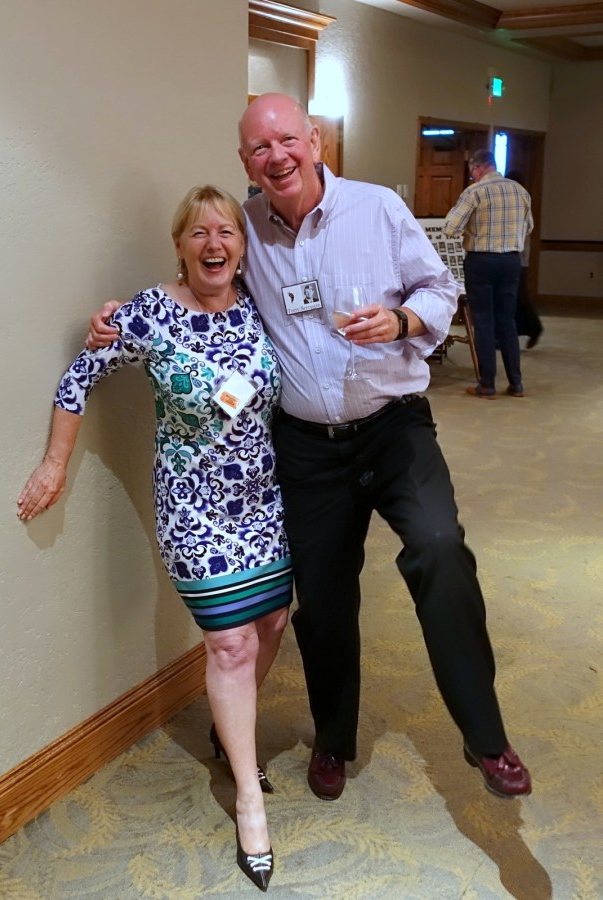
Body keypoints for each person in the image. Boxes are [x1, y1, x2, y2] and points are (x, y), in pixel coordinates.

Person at [87, 93, 532, 805]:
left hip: (393, 425)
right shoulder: (244, 227)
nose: (277, 156)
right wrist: (119, 319)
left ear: (315, 141)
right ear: (246, 162)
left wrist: (400, 320)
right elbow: (200, 281)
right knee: (322, 600)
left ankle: (485, 736)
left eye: (288, 140)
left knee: (439, 546)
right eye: (260, 148)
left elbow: (440, 287)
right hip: (305, 446)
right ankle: (332, 739)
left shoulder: (376, 209)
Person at [18, 185, 292, 892]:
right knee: (228, 642)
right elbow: (77, 379)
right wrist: (54, 463)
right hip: (193, 508)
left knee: (271, 623)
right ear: (179, 246)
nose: (213, 244)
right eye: (199, 232)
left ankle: (225, 734)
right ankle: (248, 796)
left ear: (241, 247)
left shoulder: (258, 301)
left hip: (264, 503)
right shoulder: (146, 313)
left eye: (226, 232)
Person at [444, 149, 534, 398]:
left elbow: (450, 228)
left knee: (483, 321)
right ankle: (516, 383)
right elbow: (529, 227)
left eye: (471, 172)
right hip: (511, 261)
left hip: (481, 261)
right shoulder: (520, 191)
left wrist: (473, 230)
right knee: (507, 320)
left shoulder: (474, 192)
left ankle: (487, 384)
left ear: (477, 168)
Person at [505, 169, 543, 349]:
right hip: (516, 259)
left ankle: (534, 328)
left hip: (516, 258)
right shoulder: (522, 201)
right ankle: (519, 331)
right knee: (515, 298)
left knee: (518, 298)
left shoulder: (519, 203)